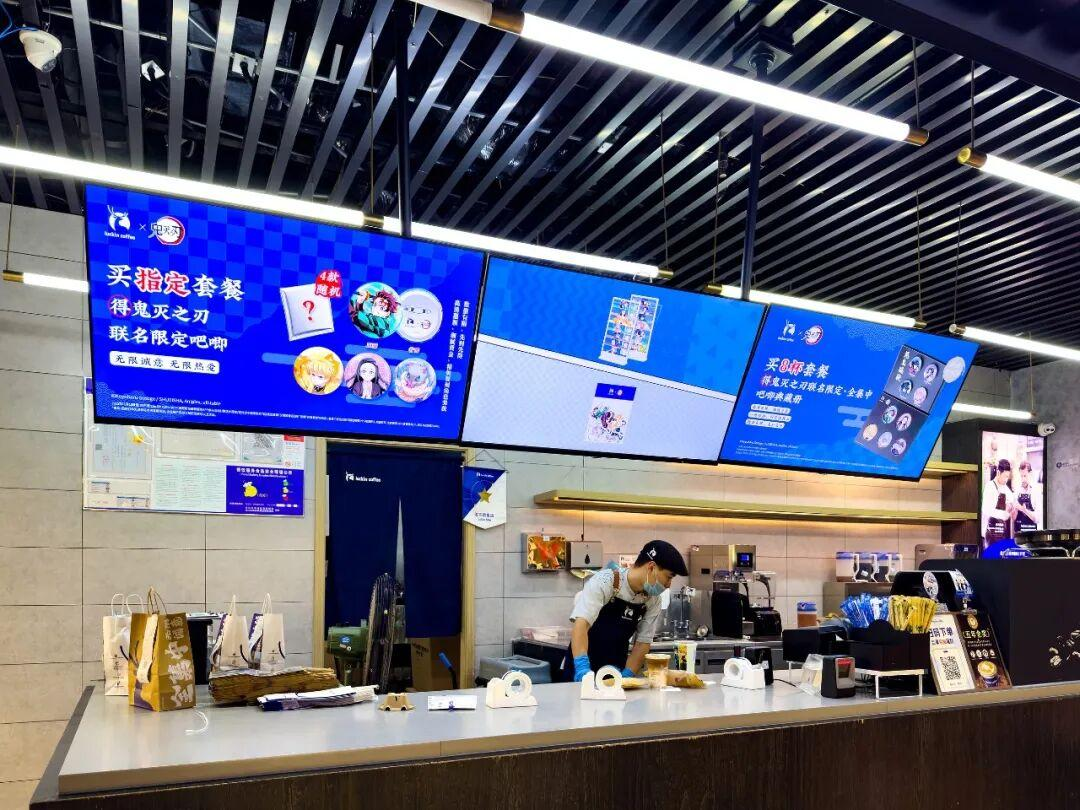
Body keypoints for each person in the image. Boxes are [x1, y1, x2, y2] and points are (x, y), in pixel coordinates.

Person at [561, 540, 688, 682]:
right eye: (669, 577)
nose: (669, 584)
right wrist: (582, 668)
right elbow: (581, 624)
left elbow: (642, 643)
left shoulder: (653, 600)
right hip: (582, 665)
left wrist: (627, 675)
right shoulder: (606, 581)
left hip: (616, 670)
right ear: (651, 567)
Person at [981, 459, 1016, 545]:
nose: (1006, 480)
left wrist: (1012, 509)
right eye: (1005, 476)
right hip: (990, 533)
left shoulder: (1006, 489)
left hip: (1002, 532)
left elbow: (1012, 502)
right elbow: (986, 510)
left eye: (1008, 477)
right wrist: (1005, 512)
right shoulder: (990, 487)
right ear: (998, 473)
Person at [1013, 460, 1042, 535]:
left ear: (1030, 473)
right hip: (1018, 534)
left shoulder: (1036, 490)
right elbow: (1014, 518)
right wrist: (1014, 510)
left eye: (1025, 476)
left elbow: (1037, 518)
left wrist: (1024, 510)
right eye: (1021, 476)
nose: (1023, 479)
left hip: (1032, 535)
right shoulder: (1017, 490)